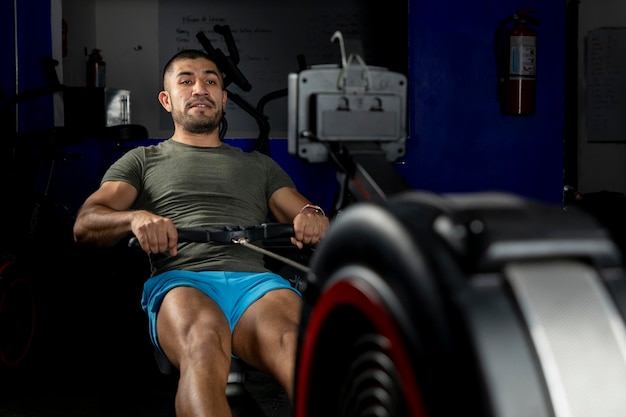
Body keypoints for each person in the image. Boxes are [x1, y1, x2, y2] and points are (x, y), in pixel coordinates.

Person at [73, 49, 329, 417]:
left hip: (256, 284)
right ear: (166, 99)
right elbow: (86, 222)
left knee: (302, 350)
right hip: (183, 280)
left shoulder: (259, 165)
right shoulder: (142, 161)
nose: (200, 88)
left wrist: (314, 216)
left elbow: (309, 214)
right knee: (204, 342)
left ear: (224, 99)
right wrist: (135, 218)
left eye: (211, 81)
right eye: (186, 80)